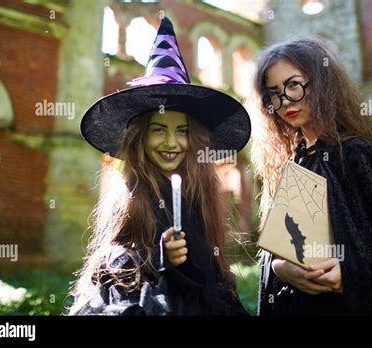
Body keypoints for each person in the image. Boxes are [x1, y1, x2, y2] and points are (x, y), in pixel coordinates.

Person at [67, 17, 251, 315]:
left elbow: (206, 278)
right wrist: (159, 259)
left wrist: (186, 266)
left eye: (181, 131)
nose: (171, 142)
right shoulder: (131, 195)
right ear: (141, 137)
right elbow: (117, 269)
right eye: (158, 129)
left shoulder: (198, 195)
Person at [252, 38, 372, 315]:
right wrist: (280, 268)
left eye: (293, 84)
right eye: (274, 93)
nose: (284, 100)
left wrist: (352, 274)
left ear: (321, 83)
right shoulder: (291, 163)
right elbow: (283, 251)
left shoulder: (356, 154)